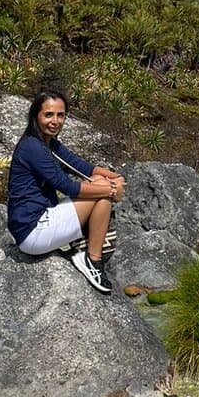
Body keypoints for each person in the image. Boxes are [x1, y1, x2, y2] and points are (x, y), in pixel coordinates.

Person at [7, 90, 125, 294]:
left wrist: (115, 178)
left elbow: (84, 168)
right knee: (103, 195)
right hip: (33, 231)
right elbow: (67, 186)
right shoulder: (32, 147)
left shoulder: (48, 143)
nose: (55, 121)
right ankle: (92, 261)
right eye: (49, 115)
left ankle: (85, 247)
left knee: (100, 184)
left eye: (60, 115)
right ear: (36, 116)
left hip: (38, 222)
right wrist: (112, 189)